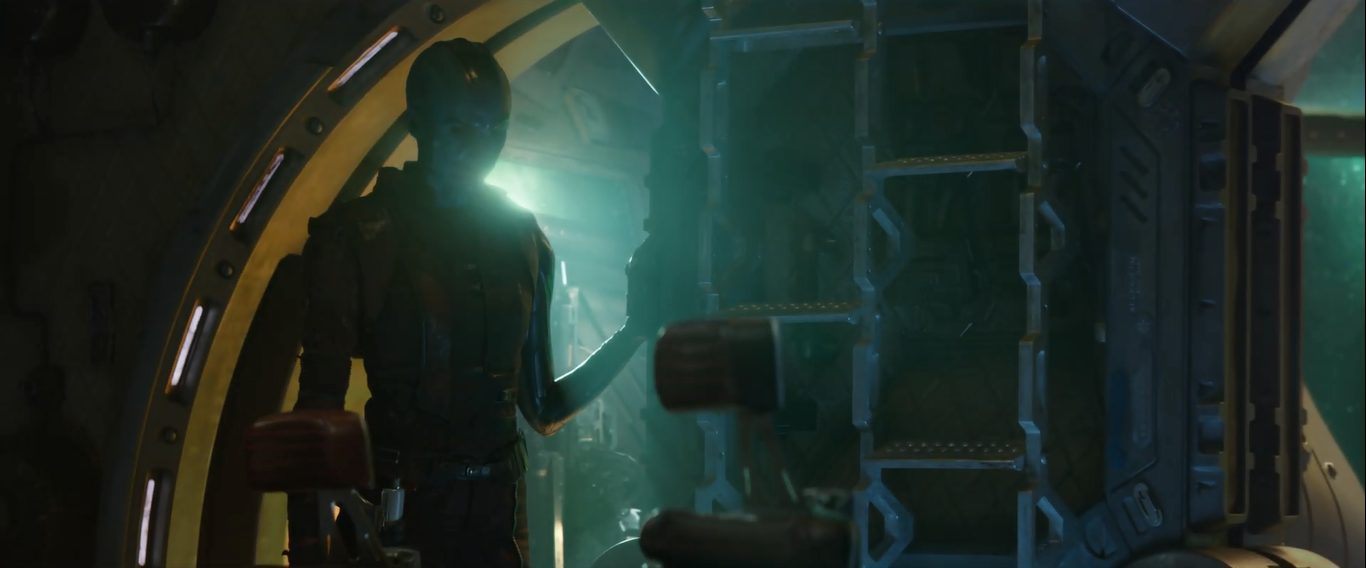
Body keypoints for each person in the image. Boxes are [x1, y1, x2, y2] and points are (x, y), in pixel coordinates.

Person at [286, 38, 657, 567]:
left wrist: (634, 332)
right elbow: (315, 415)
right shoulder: (360, 237)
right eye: (461, 129)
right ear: (418, 123)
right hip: (398, 517)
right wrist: (308, 548)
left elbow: (543, 408)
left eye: (494, 130)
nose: (481, 148)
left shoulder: (523, 239)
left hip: (493, 519)